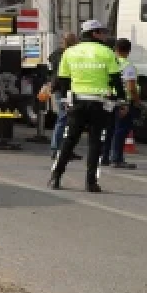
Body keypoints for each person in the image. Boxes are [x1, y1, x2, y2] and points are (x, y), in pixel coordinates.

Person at [49, 20, 125, 193]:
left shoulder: (69, 52)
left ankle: (56, 177)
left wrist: (68, 99)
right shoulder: (107, 52)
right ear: (94, 34)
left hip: (77, 102)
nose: (105, 35)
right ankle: (91, 182)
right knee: (95, 143)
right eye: (102, 32)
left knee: (69, 141)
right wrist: (119, 98)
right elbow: (115, 80)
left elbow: (63, 80)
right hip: (99, 103)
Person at [104, 38, 140, 169]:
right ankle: (117, 159)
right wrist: (137, 101)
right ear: (128, 51)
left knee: (109, 129)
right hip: (123, 101)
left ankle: (105, 157)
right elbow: (130, 87)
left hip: (109, 99)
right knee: (121, 131)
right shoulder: (128, 66)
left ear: (115, 49)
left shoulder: (110, 63)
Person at [47, 33, 80, 160]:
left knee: (64, 118)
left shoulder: (55, 54)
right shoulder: (70, 55)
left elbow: (51, 70)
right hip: (67, 89)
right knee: (65, 118)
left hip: (59, 88)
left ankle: (62, 149)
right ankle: (58, 149)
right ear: (73, 42)